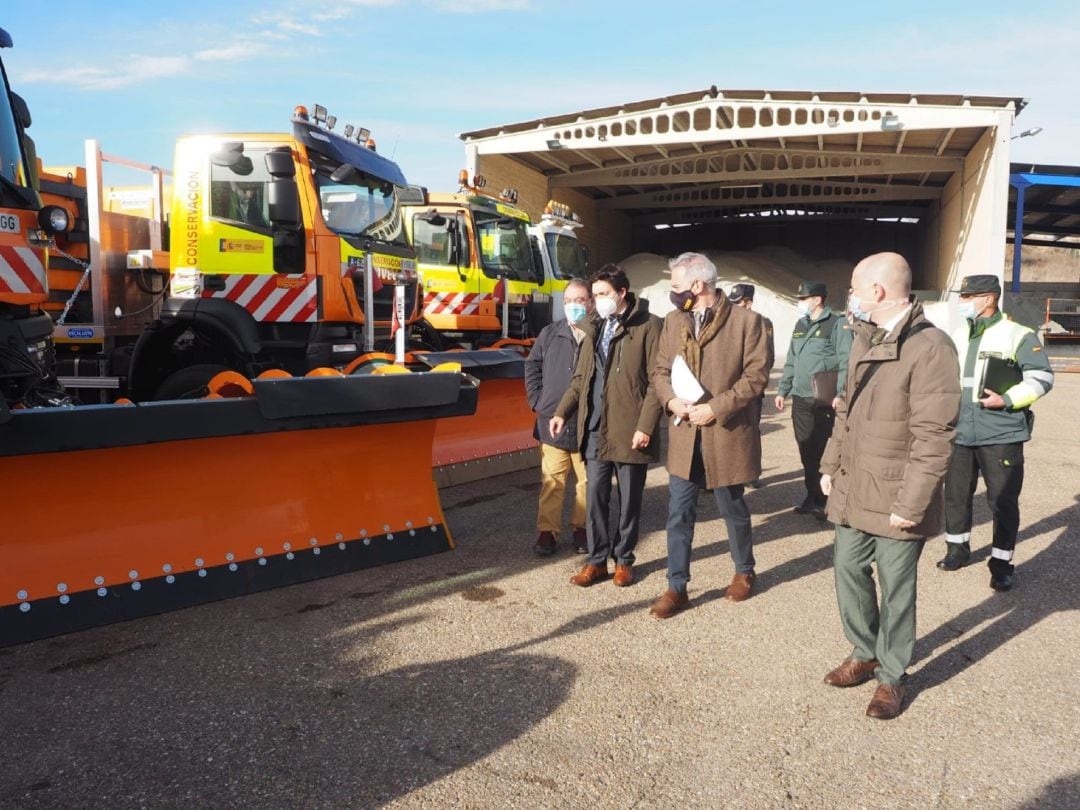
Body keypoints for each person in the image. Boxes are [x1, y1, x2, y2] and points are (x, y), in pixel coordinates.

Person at [819, 252, 960, 720]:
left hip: (898, 493)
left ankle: (893, 676)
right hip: (855, 484)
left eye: (855, 289)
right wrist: (830, 463)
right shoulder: (865, 339)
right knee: (847, 570)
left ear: (876, 292)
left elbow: (934, 435)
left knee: (897, 588)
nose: (851, 298)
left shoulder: (931, 346)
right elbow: (847, 412)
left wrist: (914, 502)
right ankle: (864, 650)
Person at [649, 254, 770, 618]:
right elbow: (659, 371)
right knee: (678, 512)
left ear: (698, 286)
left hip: (725, 431)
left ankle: (744, 571)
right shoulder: (673, 322)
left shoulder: (749, 323)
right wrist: (671, 400)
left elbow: (756, 377)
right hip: (686, 434)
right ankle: (676, 586)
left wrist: (716, 407)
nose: (673, 293)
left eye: (675, 286)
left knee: (731, 508)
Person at [938, 274, 1054, 591]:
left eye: (967, 297)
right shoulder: (959, 335)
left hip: (1001, 433)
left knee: (1002, 502)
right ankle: (956, 550)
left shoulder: (1018, 334)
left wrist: (1008, 399)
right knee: (955, 496)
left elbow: (1042, 377)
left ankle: (1001, 563)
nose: (962, 303)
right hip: (960, 432)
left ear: (988, 299)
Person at [550, 264, 663, 588]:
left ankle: (624, 559)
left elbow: (657, 382)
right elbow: (580, 379)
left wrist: (646, 426)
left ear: (622, 293)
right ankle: (597, 561)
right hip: (596, 427)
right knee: (594, 498)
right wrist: (562, 411)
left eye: (602, 294)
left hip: (631, 428)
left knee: (630, 500)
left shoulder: (648, 327)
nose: (596, 301)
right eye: (595, 294)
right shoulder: (593, 327)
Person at [524, 279, 593, 556]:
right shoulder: (551, 333)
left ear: (590, 303)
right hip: (551, 420)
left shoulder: (597, 334)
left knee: (587, 481)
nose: (573, 306)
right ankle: (546, 532)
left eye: (579, 301)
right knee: (552, 479)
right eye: (568, 302)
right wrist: (538, 401)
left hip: (587, 423)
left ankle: (582, 528)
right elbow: (532, 365)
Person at [775, 281, 853, 519]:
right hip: (800, 397)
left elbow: (846, 361)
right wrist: (782, 389)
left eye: (803, 299)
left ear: (817, 300)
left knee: (823, 449)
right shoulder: (800, 325)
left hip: (823, 399)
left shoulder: (837, 324)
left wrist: (841, 393)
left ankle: (827, 499)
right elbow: (792, 359)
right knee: (806, 448)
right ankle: (812, 496)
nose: (800, 303)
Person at [729, 283, 774, 488]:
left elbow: (767, 358)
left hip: (751, 389)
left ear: (748, 303)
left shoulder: (763, 323)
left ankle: (751, 472)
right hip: (729, 389)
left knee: (751, 431)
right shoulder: (728, 322)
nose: (735, 306)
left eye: (739, 303)